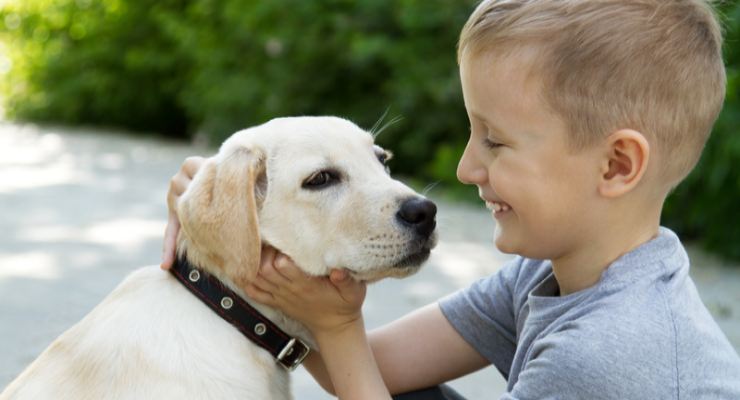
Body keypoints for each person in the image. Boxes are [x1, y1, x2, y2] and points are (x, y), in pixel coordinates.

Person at [161, 0, 740, 398]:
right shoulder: (543, 276)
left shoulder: (609, 354)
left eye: (496, 140)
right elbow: (369, 371)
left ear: (615, 166)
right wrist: (227, 210)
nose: (465, 168)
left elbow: (349, 356)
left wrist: (337, 330)